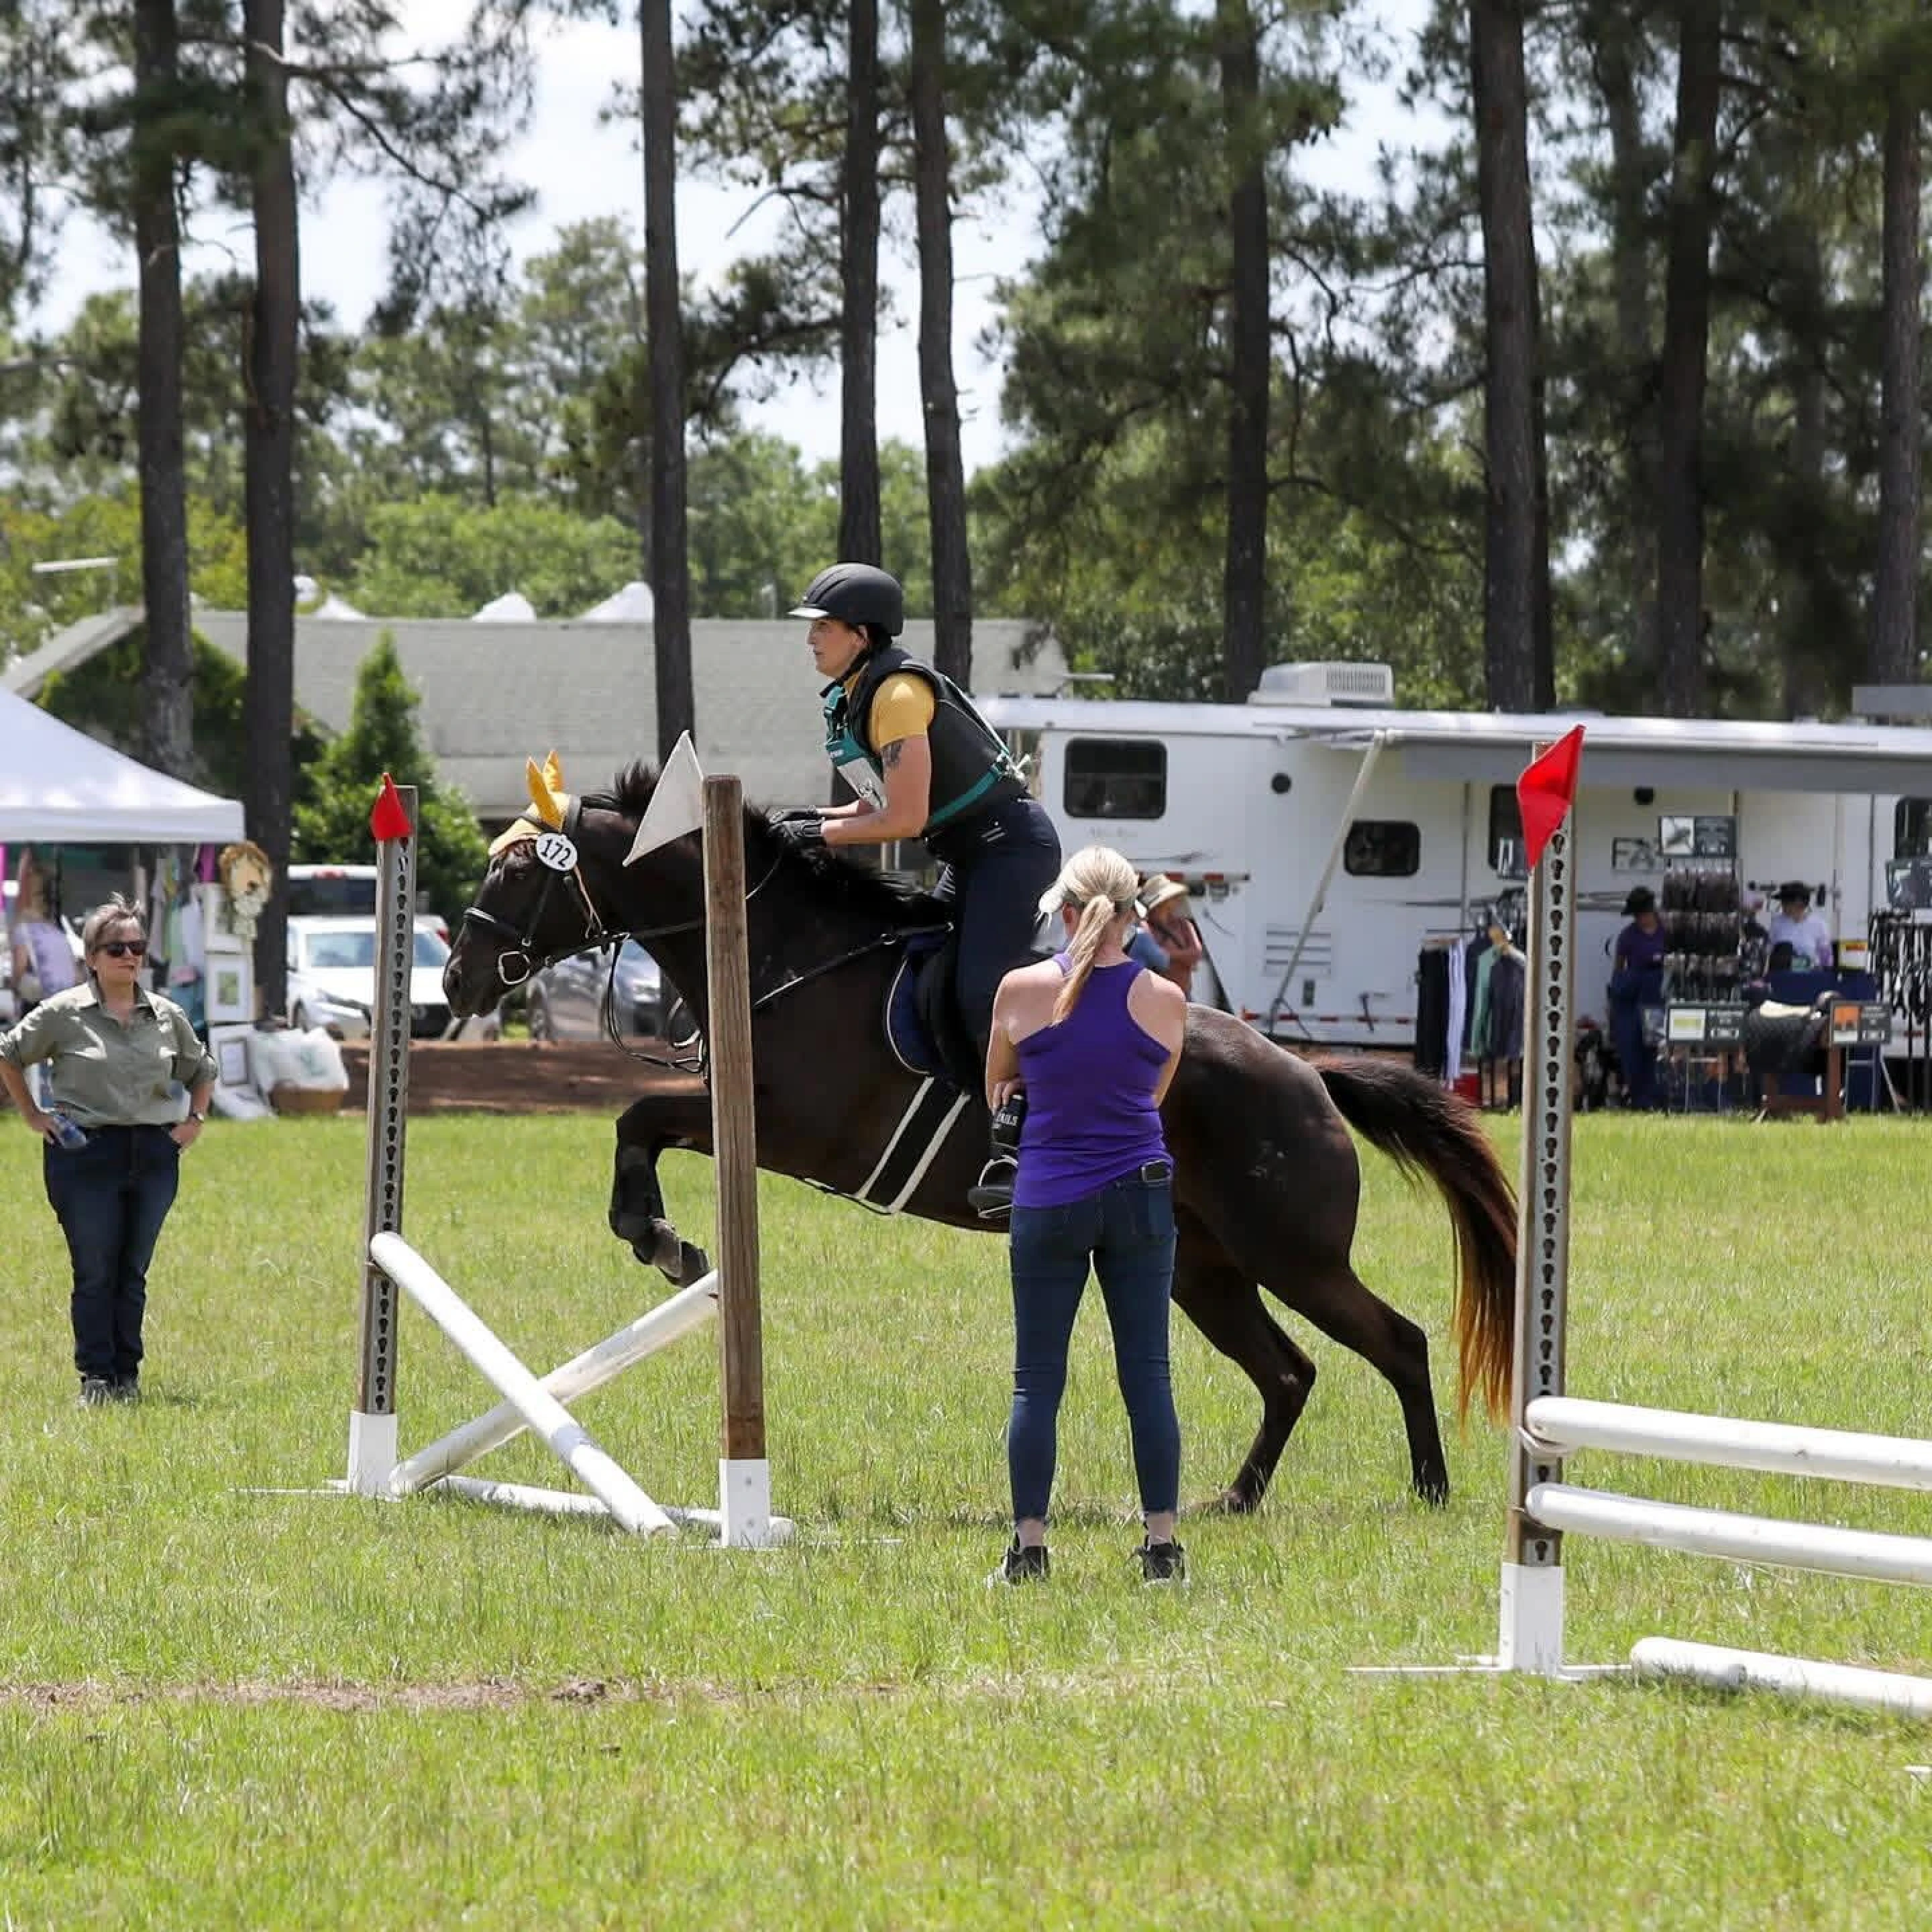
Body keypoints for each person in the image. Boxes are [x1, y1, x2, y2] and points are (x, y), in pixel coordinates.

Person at [771, 563, 1062, 1210]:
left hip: (1010, 852)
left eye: (824, 626)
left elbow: (902, 821)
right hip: (970, 854)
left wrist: (820, 838)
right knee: (908, 949)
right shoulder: (852, 696)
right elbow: (883, 803)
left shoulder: (898, 695)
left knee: (979, 988)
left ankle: (1025, 1143)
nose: (812, 638)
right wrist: (812, 820)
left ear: (863, 634)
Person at [983, 844, 1189, 1586]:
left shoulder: (1019, 991)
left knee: (1037, 1382)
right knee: (1149, 1377)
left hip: (1049, 1195)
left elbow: (998, 1087)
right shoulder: (1167, 1001)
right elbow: (1153, 1097)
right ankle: (1162, 1547)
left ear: (1066, 914)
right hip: (1139, 1193)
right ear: (1131, 921)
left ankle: (1029, 1550)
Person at [0, 896, 217, 1407]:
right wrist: (33, 1115)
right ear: (92, 957)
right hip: (84, 1154)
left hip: (154, 1155)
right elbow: (9, 1054)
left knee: (132, 1271)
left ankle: (128, 1376)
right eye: (116, 947)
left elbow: (201, 1071)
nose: (129, 956)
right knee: (95, 1269)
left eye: (137, 946)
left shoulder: (167, 1015)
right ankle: (95, 1378)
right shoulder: (62, 1012)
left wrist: (194, 1122)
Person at [1608, 885, 1666, 1110]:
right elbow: (1618, 969)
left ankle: (1655, 1097)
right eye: (1637, 915)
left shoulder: (1666, 932)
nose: (1640, 919)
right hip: (1633, 997)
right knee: (1632, 1048)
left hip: (1658, 994)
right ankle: (1638, 1098)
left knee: (1655, 1046)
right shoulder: (1628, 937)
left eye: (1643, 914)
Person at [7, 851, 80, 1017]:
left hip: (42, 1004)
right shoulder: (57, 932)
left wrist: (13, 987)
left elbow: (20, 964)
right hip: (67, 1003)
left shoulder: (24, 930)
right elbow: (77, 976)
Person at [1127, 874, 1205, 998]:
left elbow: (1196, 953)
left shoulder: (1184, 925)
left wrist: (1169, 954)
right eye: (1171, 899)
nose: (1174, 902)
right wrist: (1182, 956)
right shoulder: (1144, 928)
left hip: (1184, 994)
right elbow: (1157, 959)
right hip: (1156, 997)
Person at [1766, 881, 1833, 971]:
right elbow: (1769, 950)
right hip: (1783, 975)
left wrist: (1806, 965)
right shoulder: (1777, 922)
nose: (1782, 905)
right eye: (1782, 902)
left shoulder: (1819, 924)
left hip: (1810, 974)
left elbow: (1826, 959)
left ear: (1799, 903)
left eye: (1786, 902)